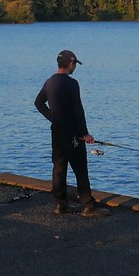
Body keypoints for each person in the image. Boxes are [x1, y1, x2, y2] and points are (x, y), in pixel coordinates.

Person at [34, 50, 106, 217]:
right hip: (72, 134)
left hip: (57, 132)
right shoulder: (72, 83)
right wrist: (85, 134)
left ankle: (60, 204)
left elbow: (38, 103)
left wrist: (53, 118)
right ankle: (88, 206)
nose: (75, 68)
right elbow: (78, 110)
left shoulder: (50, 81)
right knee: (80, 168)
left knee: (59, 167)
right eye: (75, 65)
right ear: (71, 63)